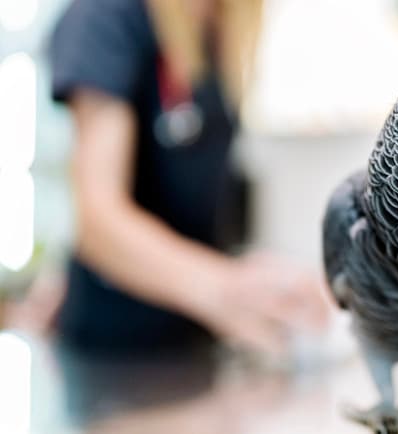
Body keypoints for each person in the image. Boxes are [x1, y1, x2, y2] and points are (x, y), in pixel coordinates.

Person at [50, 0, 326, 354]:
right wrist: (225, 286)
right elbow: (98, 221)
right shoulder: (104, 18)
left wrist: (255, 280)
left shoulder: (220, 23)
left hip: (190, 346)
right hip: (115, 354)